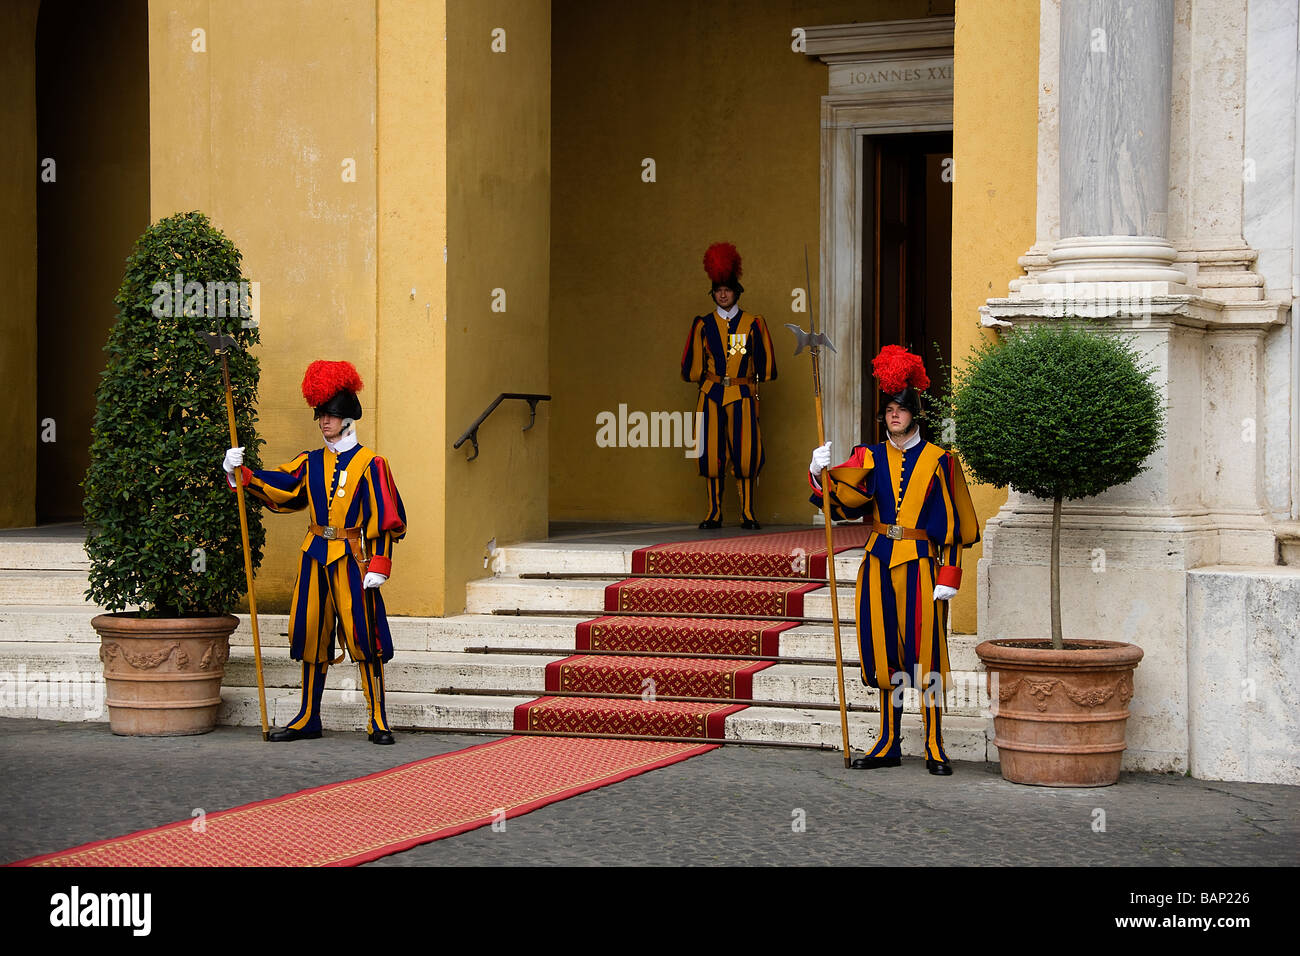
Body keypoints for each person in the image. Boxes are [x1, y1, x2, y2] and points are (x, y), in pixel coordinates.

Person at [808, 345, 979, 774]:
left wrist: (951, 573)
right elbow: (844, 504)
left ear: (915, 413)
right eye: (888, 410)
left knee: (926, 653)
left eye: (900, 410)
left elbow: (957, 523)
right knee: (884, 652)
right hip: (879, 562)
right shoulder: (868, 456)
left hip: (922, 563)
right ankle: (888, 740)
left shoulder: (941, 461)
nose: (893, 416)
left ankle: (936, 744)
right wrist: (818, 473)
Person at [222, 360, 407, 744]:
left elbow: (385, 517)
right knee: (310, 634)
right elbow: (284, 486)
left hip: (355, 558)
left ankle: (378, 719)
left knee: (364, 635)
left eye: (332, 415)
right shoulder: (311, 461)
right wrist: (243, 474)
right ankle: (308, 717)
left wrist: (380, 563)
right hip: (315, 556)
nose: (325, 422)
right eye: (321, 415)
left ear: (347, 418)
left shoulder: (373, 464)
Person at [680, 242, 776, 529]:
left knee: (746, 452)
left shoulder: (752, 324)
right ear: (714, 292)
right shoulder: (702, 324)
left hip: (742, 392)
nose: (723, 294)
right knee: (709, 453)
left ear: (736, 292)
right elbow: (692, 367)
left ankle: (747, 512)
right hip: (710, 393)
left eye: (728, 289)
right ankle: (713, 512)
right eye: (718, 289)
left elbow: (765, 365)